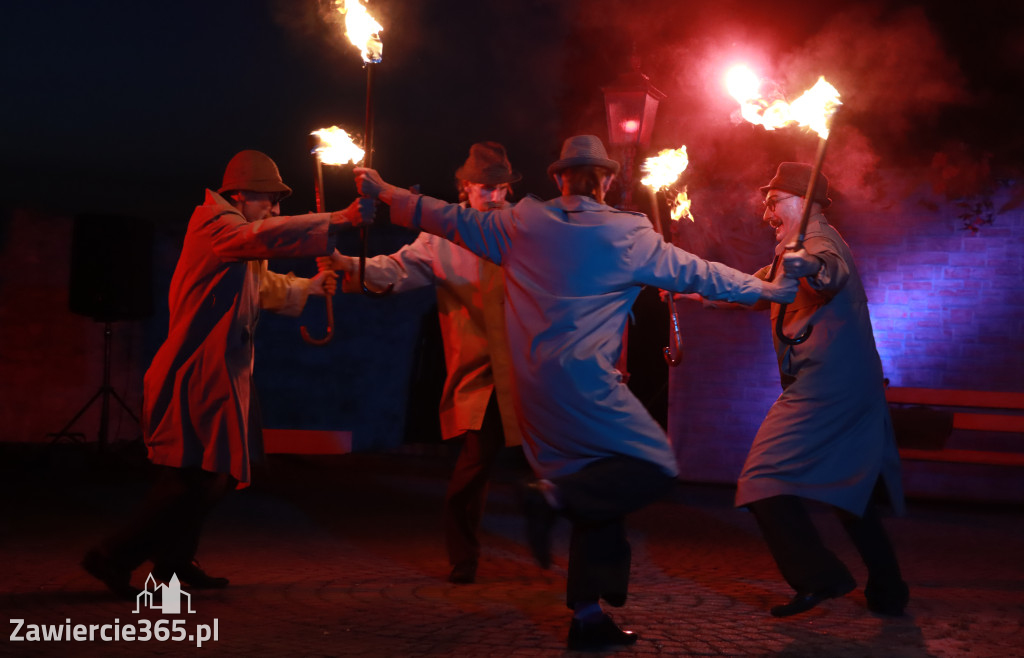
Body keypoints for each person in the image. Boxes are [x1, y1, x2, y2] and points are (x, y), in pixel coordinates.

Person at [353, 135, 800, 650]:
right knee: (653, 464)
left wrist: (384, 190)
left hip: (532, 396)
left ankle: (587, 615)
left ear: (558, 178)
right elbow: (703, 275)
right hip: (589, 390)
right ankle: (550, 501)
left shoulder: (520, 224)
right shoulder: (628, 233)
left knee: (600, 493)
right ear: (607, 181)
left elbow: (442, 217)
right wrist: (769, 290)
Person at [82, 150, 373, 598]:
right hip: (195, 369)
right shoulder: (215, 225)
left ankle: (172, 567)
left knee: (209, 477)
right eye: (269, 200)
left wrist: (308, 288)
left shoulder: (237, 235)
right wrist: (338, 219)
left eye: (277, 202)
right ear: (239, 194)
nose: (275, 209)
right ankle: (114, 555)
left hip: (220, 371)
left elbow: (259, 279)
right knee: (191, 478)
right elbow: (261, 238)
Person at [319, 141, 526, 584]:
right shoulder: (441, 239)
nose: (494, 196)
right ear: (465, 189)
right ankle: (463, 556)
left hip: (537, 369)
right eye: (484, 188)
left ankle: (583, 555)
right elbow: (394, 270)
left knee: (568, 460)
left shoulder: (528, 230)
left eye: (501, 188)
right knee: (472, 468)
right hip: (483, 373)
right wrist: (345, 264)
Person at [733, 162, 909, 617]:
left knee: (762, 481)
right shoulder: (789, 249)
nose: (766, 210)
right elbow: (754, 289)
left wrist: (806, 263)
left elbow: (829, 272)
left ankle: (820, 576)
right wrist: (688, 289)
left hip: (826, 388)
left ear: (803, 200)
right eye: (766, 201)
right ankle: (889, 589)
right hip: (847, 386)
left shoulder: (818, 240)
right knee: (851, 489)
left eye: (774, 200)